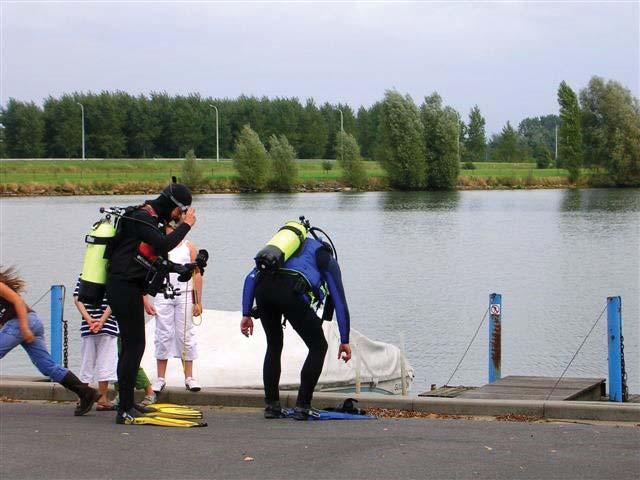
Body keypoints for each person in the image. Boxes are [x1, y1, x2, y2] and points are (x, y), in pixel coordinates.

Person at [106, 181, 196, 424]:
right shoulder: (142, 218)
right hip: (122, 286)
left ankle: (127, 403)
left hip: (130, 286)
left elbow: (156, 258)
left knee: (132, 346)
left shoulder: (150, 219)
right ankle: (123, 408)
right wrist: (187, 226)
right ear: (174, 206)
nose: (179, 217)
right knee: (133, 346)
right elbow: (164, 244)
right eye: (181, 212)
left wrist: (184, 267)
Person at [240, 224, 352, 420]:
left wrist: (246, 313)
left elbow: (250, 278)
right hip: (291, 293)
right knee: (318, 347)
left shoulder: (279, 253)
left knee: (274, 345)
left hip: (263, 291)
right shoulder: (325, 257)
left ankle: (272, 406)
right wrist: (344, 339)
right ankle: (303, 406)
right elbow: (339, 301)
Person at [0, 265, 99, 416]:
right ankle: (85, 392)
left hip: (22, 323)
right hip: (29, 323)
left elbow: (18, 301)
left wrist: (25, 327)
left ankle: (85, 392)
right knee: (47, 366)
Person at [147, 222, 203, 393]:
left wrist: (197, 301)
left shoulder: (189, 246)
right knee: (163, 333)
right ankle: (160, 378)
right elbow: (145, 272)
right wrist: (146, 300)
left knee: (185, 334)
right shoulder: (157, 247)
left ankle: (189, 377)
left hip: (184, 294)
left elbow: (197, 273)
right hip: (163, 294)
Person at [73, 274, 119, 411]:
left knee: (87, 361)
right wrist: (102, 320)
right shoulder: (112, 274)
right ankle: (102, 398)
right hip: (108, 325)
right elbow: (114, 299)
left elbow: (77, 298)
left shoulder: (86, 273)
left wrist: (88, 319)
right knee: (106, 362)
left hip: (88, 326)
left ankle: (82, 397)